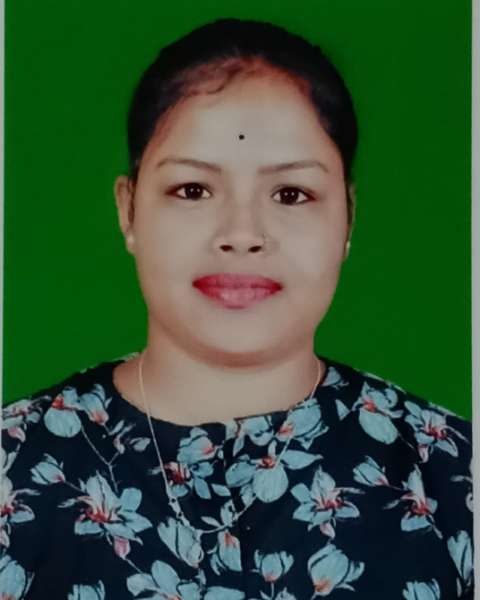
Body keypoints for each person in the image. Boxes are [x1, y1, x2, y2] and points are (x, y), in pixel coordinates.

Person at [1, 17, 473, 600]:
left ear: (348, 218)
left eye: (291, 194)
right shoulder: (15, 469)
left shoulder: (451, 477)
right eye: (193, 190)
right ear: (128, 211)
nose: (242, 234)